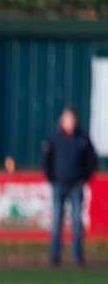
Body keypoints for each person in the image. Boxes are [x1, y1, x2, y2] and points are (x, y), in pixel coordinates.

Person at [41, 105, 98, 267]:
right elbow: (46, 160)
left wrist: (84, 178)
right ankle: (54, 257)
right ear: (62, 120)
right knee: (57, 221)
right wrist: (52, 178)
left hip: (76, 186)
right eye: (67, 119)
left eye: (73, 119)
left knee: (77, 223)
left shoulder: (83, 138)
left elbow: (92, 161)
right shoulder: (54, 138)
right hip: (59, 184)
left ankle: (77, 257)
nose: (70, 123)